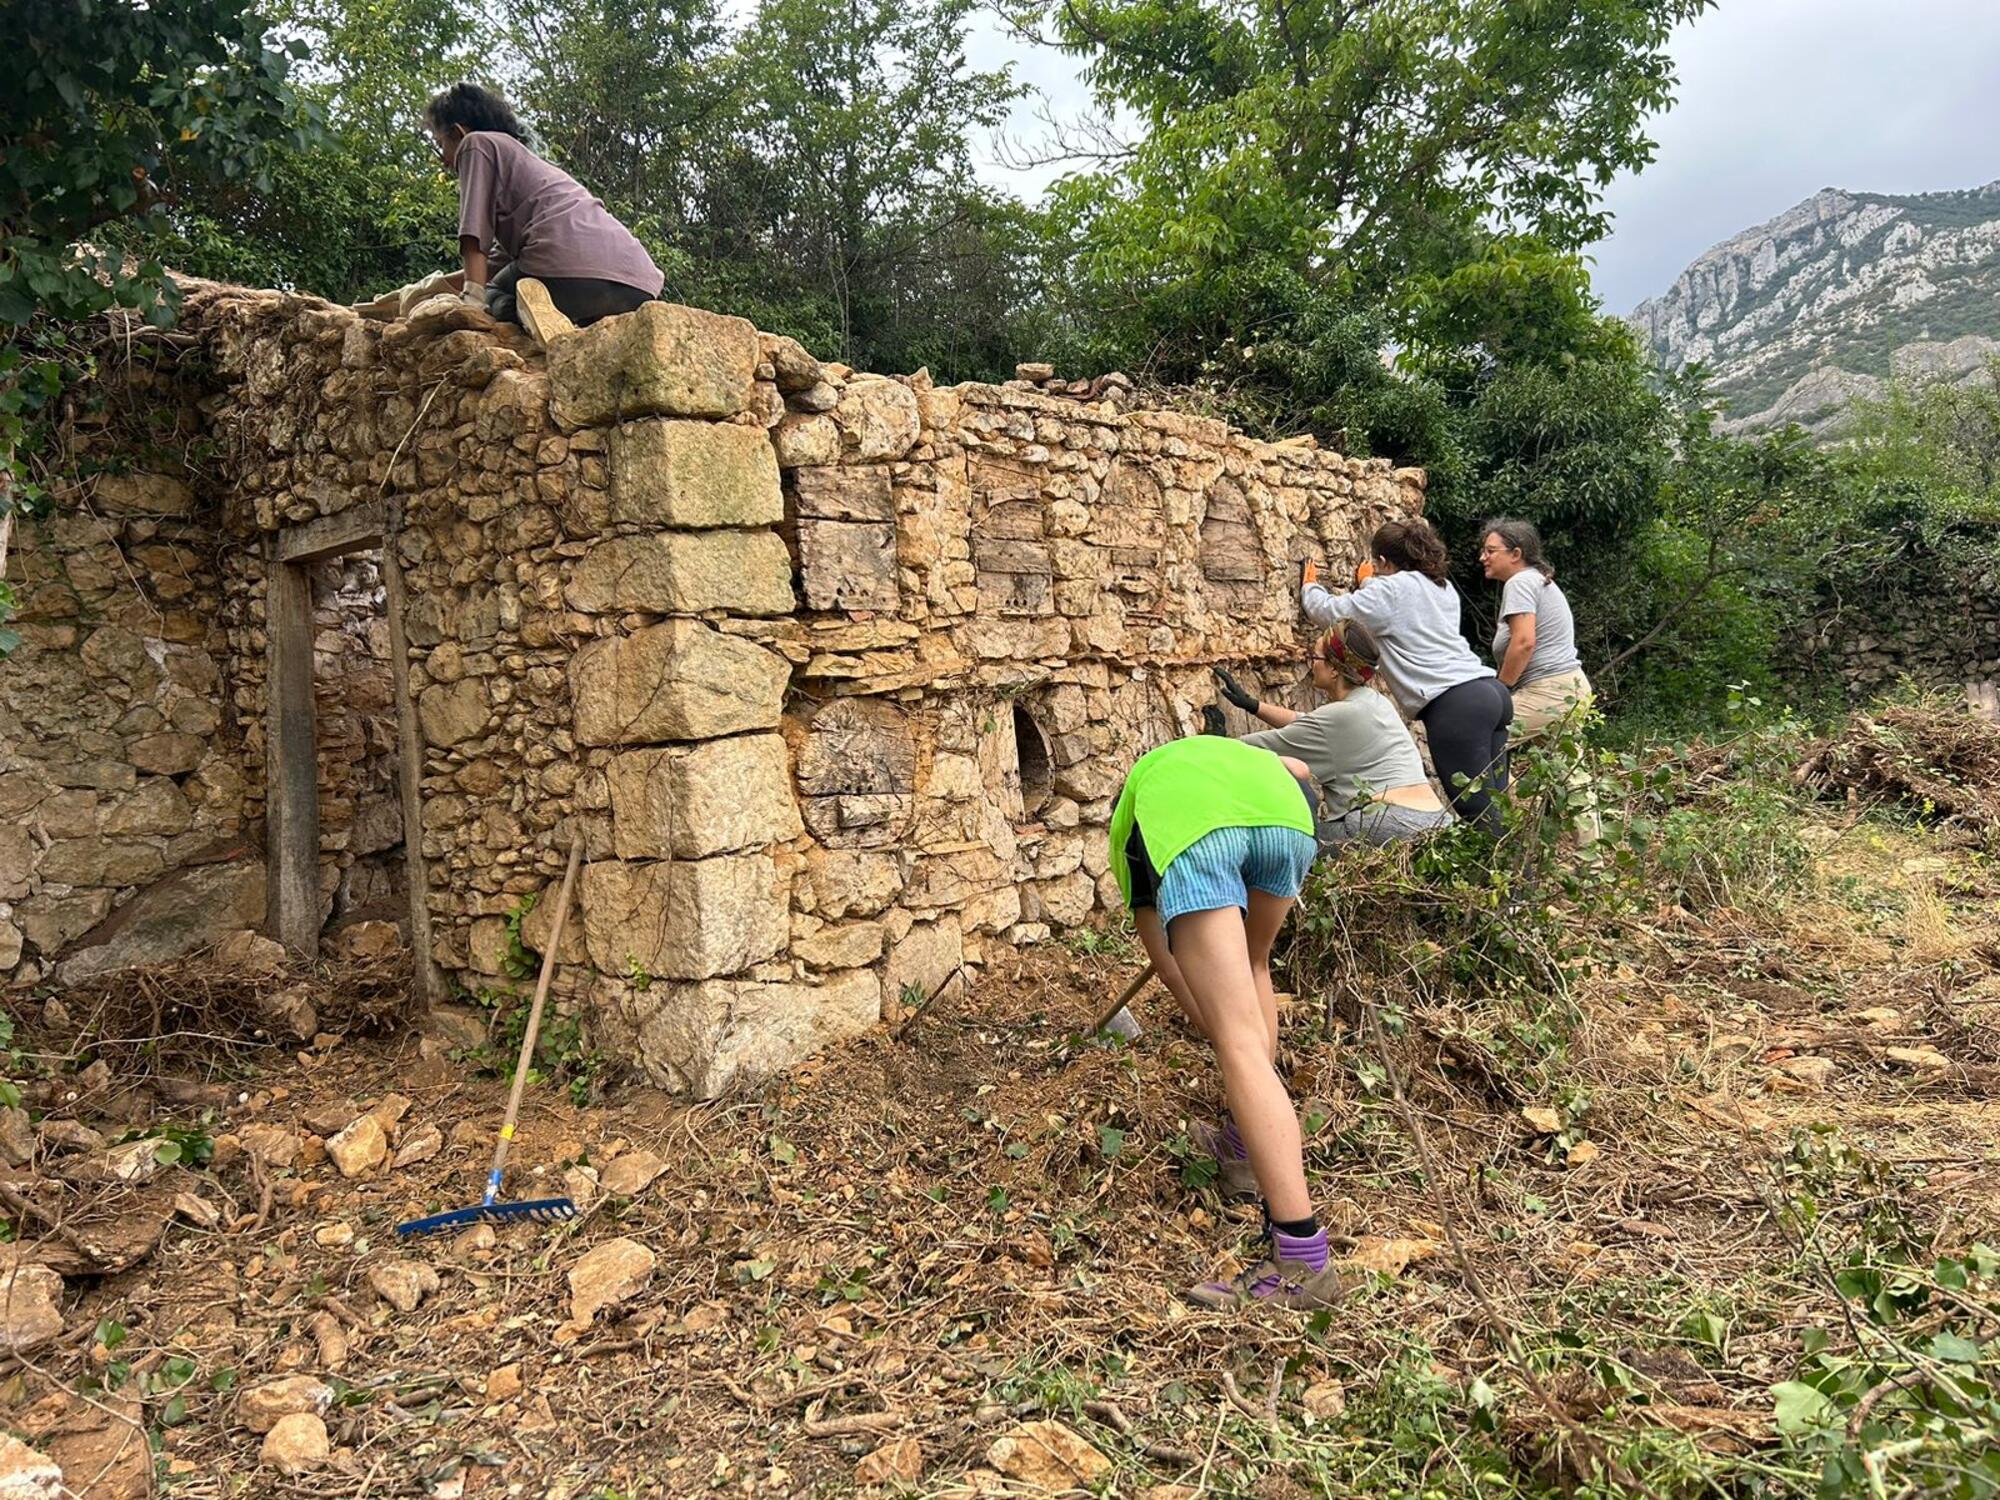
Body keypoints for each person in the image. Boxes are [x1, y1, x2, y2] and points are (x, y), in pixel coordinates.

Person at [1108, 735, 1346, 1309]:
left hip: (1202, 836)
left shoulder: (1138, 816)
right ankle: (1242, 1146)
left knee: (1236, 1036)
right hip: (1287, 817)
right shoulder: (1237, 756)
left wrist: (1225, 1038)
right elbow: (1298, 768)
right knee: (1257, 964)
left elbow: (1170, 970)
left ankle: (1301, 1260)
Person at [1300, 519, 1513, 834]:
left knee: (1478, 815)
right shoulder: (1442, 587)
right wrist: (1371, 583)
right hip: (1490, 693)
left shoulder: (1389, 591)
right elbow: (1399, 605)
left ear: (1384, 562)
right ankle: (1518, 876)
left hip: (1455, 706)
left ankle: (1506, 883)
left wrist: (1309, 587)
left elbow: (1333, 613)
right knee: (1496, 804)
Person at [422, 83, 664, 339]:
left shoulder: (474, 143)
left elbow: (474, 234)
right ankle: (561, 324)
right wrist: (431, 288)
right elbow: (496, 263)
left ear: (458, 132)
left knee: (495, 292)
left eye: (441, 145)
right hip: (639, 285)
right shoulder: (534, 176)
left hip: (567, 272)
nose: (444, 160)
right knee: (514, 284)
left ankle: (534, 320)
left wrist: (472, 298)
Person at [1210, 621, 1451, 848]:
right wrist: (1253, 705)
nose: (1310, 664)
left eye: (1315, 657)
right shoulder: (1374, 703)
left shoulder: (1341, 717)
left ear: (1334, 669)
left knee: (1293, 839)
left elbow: (1254, 748)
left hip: (1386, 824)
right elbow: (1309, 724)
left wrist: (1211, 742)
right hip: (1434, 822)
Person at [1479, 518, 1592, 738]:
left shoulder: (1520, 582)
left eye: (1490, 551)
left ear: (1515, 554)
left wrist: (1500, 691)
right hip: (1572, 689)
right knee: (1561, 770)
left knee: (1480, 739)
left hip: (1548, 692)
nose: (1482, 557)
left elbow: (1523, 642)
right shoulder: (1535, 581)